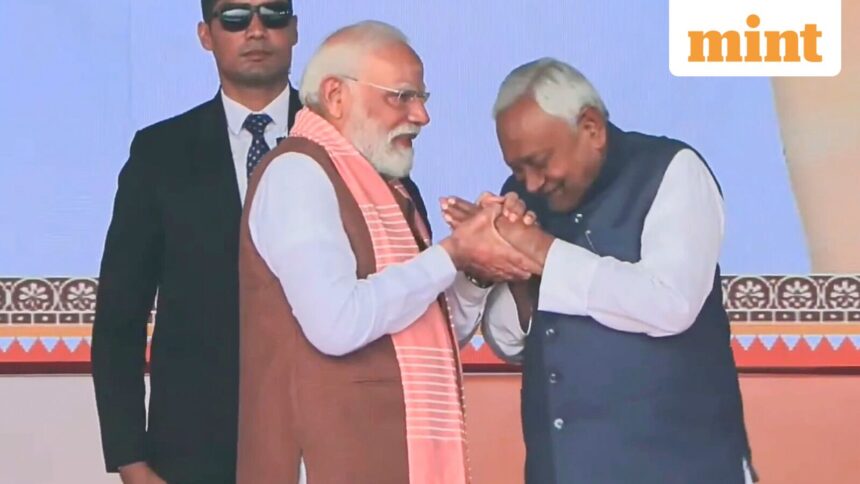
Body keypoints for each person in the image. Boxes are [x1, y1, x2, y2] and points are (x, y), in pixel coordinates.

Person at [236, 20, 538, 484]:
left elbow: (428, 331)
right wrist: (453, 253)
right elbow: (338, 324)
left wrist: (475, 267)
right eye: (401, 96)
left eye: (422, 98)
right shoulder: (297, 173)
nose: (421, 116)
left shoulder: (391, 189)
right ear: (336, 96)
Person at [443, 58, 757, 484]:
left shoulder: (671, 170)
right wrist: (512, 271)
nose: (531, 184)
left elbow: (672, 303)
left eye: (539, 162)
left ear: (590, 128)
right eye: (518, 169)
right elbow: (515, 346)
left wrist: (541, 250)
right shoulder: (520, 197)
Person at [91, 1, 308, 482]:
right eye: (234, 18)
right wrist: (130, 459)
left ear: (293, 30)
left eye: (272, 15)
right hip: (195, 449)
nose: (255, 30)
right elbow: (118, 320)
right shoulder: (159, 154)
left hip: (327, 437)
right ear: (206, 35)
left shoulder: (341, 140)